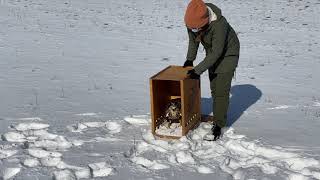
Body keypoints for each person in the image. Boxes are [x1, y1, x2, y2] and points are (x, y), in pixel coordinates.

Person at [183, 0, 240, 141]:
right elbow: (193, 40)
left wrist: (198, 70)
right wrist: (190, 59)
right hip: (213, 53)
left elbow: (217, 52)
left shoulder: (219, 25)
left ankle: (219, 125)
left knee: (220, 90)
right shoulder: (192, 19)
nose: (194, 31)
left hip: (227, 54)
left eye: (197, 28)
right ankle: (219, 114)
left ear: (206, 20)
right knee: (214, 86)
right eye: (192, 28)